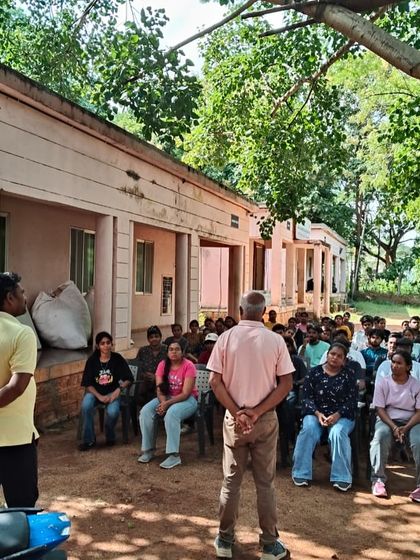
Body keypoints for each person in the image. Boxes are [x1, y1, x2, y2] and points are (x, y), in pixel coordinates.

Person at [208, 291, 294, 560]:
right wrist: (255, 412)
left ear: (240, 309)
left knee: (231, 481)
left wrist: (238, 413)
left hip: (235, 420)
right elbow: (286, 384)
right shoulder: (275, 340)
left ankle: (224, 540)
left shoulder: (226, 338)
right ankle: (269, 544)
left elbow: (214, 382)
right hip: (264, 420)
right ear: (264, 310)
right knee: (265, 483)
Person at [292, 343, 358, 491]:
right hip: (316, 413)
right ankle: (301, 472)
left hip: (341, 415)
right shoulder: (314, 373)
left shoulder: (349, 375)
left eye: (339, 356)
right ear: (327, 354)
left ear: (344, 359)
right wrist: (318, 414)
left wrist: (337, 415)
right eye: (332, 354)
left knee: (337, 433)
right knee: (308, 429)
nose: (335, 358)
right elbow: (306, 398)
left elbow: (352, 400)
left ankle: (341, 477)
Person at [0, 272, 38, 507]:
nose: (25, 297)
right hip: (14, 439)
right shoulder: (22, 334)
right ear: (9, 298)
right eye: (21, 292)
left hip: (17, 435)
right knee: (22, 508)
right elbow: (16, 387)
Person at [138, 341, 198, 469]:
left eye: (177, 349)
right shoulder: (162, 365)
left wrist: (167, 405)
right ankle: (148, 450)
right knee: (145, 412)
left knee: (172, 414)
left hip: (187, 400)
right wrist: (164, 402)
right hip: (166, 398)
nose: (174, 352)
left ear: (182, 352)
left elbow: (186, 393)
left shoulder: (189, 366)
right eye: (171, 349)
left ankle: (174, 455)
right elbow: (159, 389)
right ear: (167, 352)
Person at [370, 350, 420, 502]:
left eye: (399, 363)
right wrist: (394, 427)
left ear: (408, 367)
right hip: (388, 420)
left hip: (412, 420)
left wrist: (405, 427)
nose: (395, 366)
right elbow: (379, 408)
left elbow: (419, 411)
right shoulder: (384, 382)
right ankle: (378, 480)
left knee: (418, 442)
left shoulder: (416, 385)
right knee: (380, 438)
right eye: (393, 362)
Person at [79, 331, 133, 450]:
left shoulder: (117, 359)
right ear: (98, 346)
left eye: (108, 342)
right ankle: (89, 440)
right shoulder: (92, 361)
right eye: (102, 343)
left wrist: (118, 391)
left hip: (112, 393)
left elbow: (129, 378)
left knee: (113, 412)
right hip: (95, 393)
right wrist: (99, 396)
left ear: (111, 344)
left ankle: (110, 434)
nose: (106, 346)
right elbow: (87, 384)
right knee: (86, 405)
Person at [135, 326, 167, 406]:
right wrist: (144, 375)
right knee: (136, 394)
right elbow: (138, 366)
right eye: (151, 337)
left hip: (163, 382)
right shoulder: (143, 350)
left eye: (156, 336)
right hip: (145, 382)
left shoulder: (167, 349)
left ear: (160, 337)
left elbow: (173, 368)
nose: (154, 339)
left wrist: (157, 377)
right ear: (148, 339)